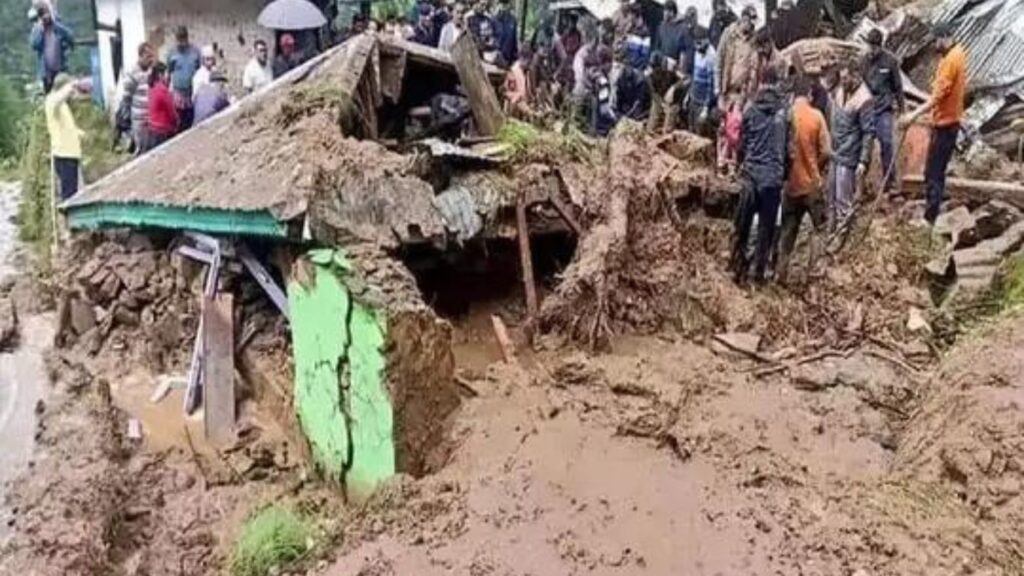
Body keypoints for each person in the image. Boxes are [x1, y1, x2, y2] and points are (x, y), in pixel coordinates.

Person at [900, 25, 967, 225]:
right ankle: (933, 209)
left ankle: (930, 218)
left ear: (945, 37)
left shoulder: (950, 61)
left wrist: (913, 115)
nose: (935, 45)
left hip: (945, 125)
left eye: (937, 40)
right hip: (949, 120)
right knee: (937, 171)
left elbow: (937, 97)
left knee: (933, 172)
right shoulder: (959, 52)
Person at [731, 66, 789, 285]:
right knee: (766, 229)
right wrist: (783, 174)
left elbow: (741, 145)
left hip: (751, 176)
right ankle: (757, 276)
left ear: (761, 82)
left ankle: (737, 270)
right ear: (776, 83)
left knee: (742, 226)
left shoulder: (750, 109)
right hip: (773, 179)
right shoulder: (785, 112)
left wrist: (740, 167)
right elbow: (789, 150)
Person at [777, 76, 832, 285]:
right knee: (820, 228)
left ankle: (781, 275)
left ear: (793, 94)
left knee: (787, 232)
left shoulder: (786, 115)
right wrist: (816, 167)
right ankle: (816, 275)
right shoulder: (817, 116)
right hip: (811, 185)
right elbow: (827, 150)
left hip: (790, 187)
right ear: (809, 94)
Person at [828, 64, 873, 231]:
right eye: (842, 78)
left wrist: (863, 160)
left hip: (849, 155)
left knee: (843, 198)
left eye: (846, 78)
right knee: (831, 195)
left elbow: (868, 132)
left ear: (855, 76)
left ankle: (843, 231)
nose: (843, 81)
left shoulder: (864, 99)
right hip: (836, 151)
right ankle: (831, 231)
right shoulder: (841, 90)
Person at [862, 29, 904, 196]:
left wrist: (902, 109)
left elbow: (898, 87)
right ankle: (860, 185)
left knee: (886, 142)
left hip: (884, 110)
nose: (871, 51)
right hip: (867, 109)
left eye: (874, 48)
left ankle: (890, 181)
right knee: (862, 146)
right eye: (869, 47)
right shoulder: (863, 61)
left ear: (880, 46)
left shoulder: (890, 61)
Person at [44, 74, 89, 200]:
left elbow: (65, 126)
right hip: (64, 154)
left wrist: (78, 133)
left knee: (74, 190)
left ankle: (72, 216)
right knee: (69, 193)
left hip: (71, 153)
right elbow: (60, 97)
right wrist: (72, 84)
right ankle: (68, 218)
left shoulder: (63, 106)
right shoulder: (52, 101)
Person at [29, 1, 75, 93]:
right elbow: (34, 45)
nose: (45, 16)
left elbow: (70, 37)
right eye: (42, 14)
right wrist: (40, 28)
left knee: (63, 96)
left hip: (61, 70)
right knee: (50, 98)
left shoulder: (58, 26)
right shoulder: (37, 29)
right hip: (47, 73)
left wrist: (54, 23)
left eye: (46, 13)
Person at [717, 5, 756, 111]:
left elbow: (754, 69)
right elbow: (719, 62)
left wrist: (750, 97)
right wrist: (719, 92)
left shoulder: (754, 39)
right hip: (727, 91)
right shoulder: (728, 34)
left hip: (742, 94)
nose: (752, 26)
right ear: (744, 19)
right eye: (750, 22)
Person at [118, 42, 156, 155]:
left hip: (152, 119)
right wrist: (127, 120)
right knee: (141, 150)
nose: (151, 60)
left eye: (152, 56)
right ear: (140, 56)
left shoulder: (152, 71)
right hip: (139, 120)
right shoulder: (132, 73)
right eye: (148, 57)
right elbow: (126, 98)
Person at [167, 26, 201, 129]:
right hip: (178, 94)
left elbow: (199, 70)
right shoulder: (172, 53)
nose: (181, 43)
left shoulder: (195, 52)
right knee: (179, 123)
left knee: (191, 120)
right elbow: (169, 72)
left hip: (192, 92)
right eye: (178, 40)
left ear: (187, 38)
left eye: (183, 40)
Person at [646, 51, 684, 134]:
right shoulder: (649, 73)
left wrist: (673, 88)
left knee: (667, 129)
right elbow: (653, 92)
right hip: (659, 96)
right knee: (651, 125)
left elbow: (686, 79)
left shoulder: (672, 66)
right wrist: (661, 103)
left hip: (673, 99)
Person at [688, 29, 717, 136]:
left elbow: (711, 85)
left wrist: (706, 108)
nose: (697, 46)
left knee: (699, 133)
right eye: (695, 43)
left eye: (699, 43)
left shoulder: (711, 57)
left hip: (703, 102)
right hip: (694, 97)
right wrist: (689, 94)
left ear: (706, 41)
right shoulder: (697, 52)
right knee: (690, 129)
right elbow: (694, 75)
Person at [147, 62, 178, 149]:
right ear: (161, 75)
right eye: (166, 74)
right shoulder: (162, 90)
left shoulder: (151, 87)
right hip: (162, 131)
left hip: (152, 129)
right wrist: (176, 123)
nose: (168, 77)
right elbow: (171, 112)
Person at [614, 46, 650, 121]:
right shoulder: (621, 78)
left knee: (636, 116)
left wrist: (629, 114)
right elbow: (619, 97)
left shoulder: (639, 80)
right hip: (629, 102)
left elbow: (639, 101)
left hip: (640, 104)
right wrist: (618, 112)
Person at [654, 1, 687, 68]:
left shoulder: (682, 29)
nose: (664, 13)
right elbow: (657, 46)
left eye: (666, 11)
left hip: (674, 65)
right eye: (664, 10)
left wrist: (680, 67)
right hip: (661, 64)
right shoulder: (661, 27)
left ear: (672, 12)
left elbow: (683, 52)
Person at [504, 48, 533, 117]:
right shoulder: (514, 71)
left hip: (523, 101)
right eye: (528, 62)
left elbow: (527, 89)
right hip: (514, 103)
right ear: (522, 59)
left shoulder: (526, 71)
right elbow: (509, 92)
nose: (529, 64)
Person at [493, 0, 518, 66]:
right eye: (502, 3)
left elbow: (514, 40)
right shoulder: (494, 20)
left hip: (509, 59)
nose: (504, 6)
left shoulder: (513, 20)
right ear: (499, 4)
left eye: (506, 3)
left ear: (509, 5)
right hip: (496, 59)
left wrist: (515, 56)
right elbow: (491, 38)